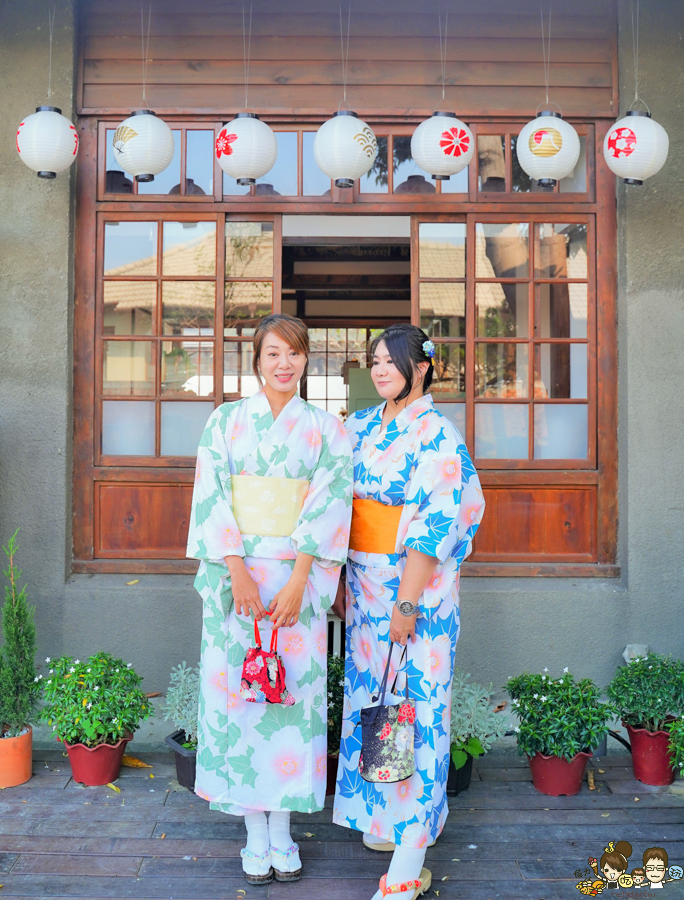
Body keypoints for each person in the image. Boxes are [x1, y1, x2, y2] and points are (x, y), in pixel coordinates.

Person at [187, 313, 353, 886]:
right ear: (256, 361)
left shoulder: (328, 430)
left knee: (291, 703)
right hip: (239, 583)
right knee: (242, 704)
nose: (285, 364)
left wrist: (300, 578)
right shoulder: (226, 422)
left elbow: (332, 503)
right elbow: (211, 497)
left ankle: (281, 831)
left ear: (308, 360)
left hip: (294, 587)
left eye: (295, 354)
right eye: (273, 354)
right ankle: (254, 835)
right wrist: (236, 572)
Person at [333, 324, 485, 900]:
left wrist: (406, 601)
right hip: (366, 589)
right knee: (377, 704)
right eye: (372, 361)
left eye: (389, 361)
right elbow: (338, 504)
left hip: (415, 595)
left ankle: (407, 860)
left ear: (421, 367)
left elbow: (435, 524)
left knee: (418, 709)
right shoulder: (362, 426)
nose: (378, 370)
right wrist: (344, 577)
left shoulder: (438, 436)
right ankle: (389, 819)